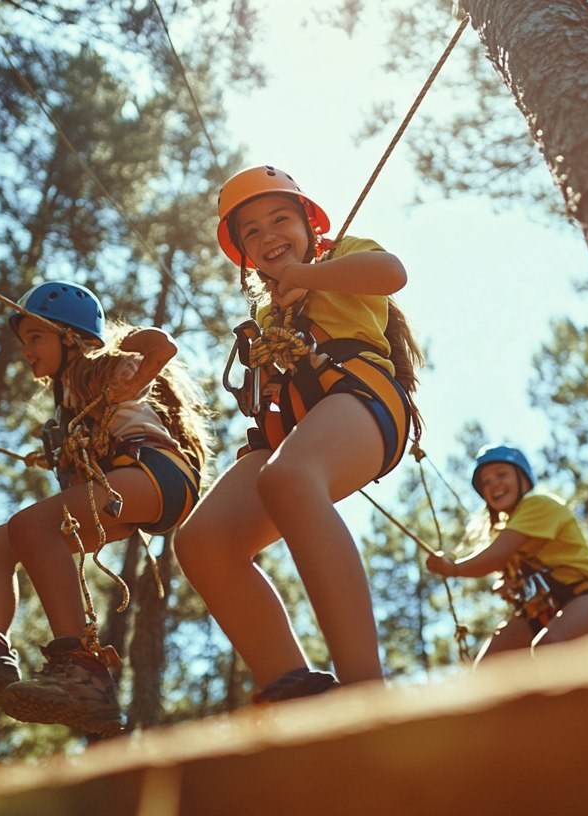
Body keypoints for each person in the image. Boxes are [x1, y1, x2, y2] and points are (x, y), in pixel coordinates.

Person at [175, 165, 425, 703]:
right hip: (296, 426)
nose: (269, 236)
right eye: (252, 232)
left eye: (280, 219)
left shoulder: (341, 256)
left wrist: (308, 277)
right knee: (202, 541)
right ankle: (293, 689)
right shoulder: (269, 314)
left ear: (310, 223)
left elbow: (390, 273)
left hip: (362, 397)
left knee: (288, 477)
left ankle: (365, 690)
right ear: (244, 253)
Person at [0, 281, 210, 736]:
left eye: (36, 337)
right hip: (126, 489)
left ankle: (81, 667)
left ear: (71, 338)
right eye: (24, 341)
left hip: (155, 473)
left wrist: (123, 353)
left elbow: (161, 349)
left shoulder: (92, 370)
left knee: (32, 526)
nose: (26, 351)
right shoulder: (66, 405)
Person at [426, 444, 588, 662]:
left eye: (501, 474)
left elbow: (494, 557)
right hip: (542, 612)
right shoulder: (503, 531)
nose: (493, 484)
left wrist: (454, 569)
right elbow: (502, 562)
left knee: (549, 646)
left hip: (587, 599)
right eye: (486, 482)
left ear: (523, 479)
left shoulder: (537, 505)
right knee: (489, 667)